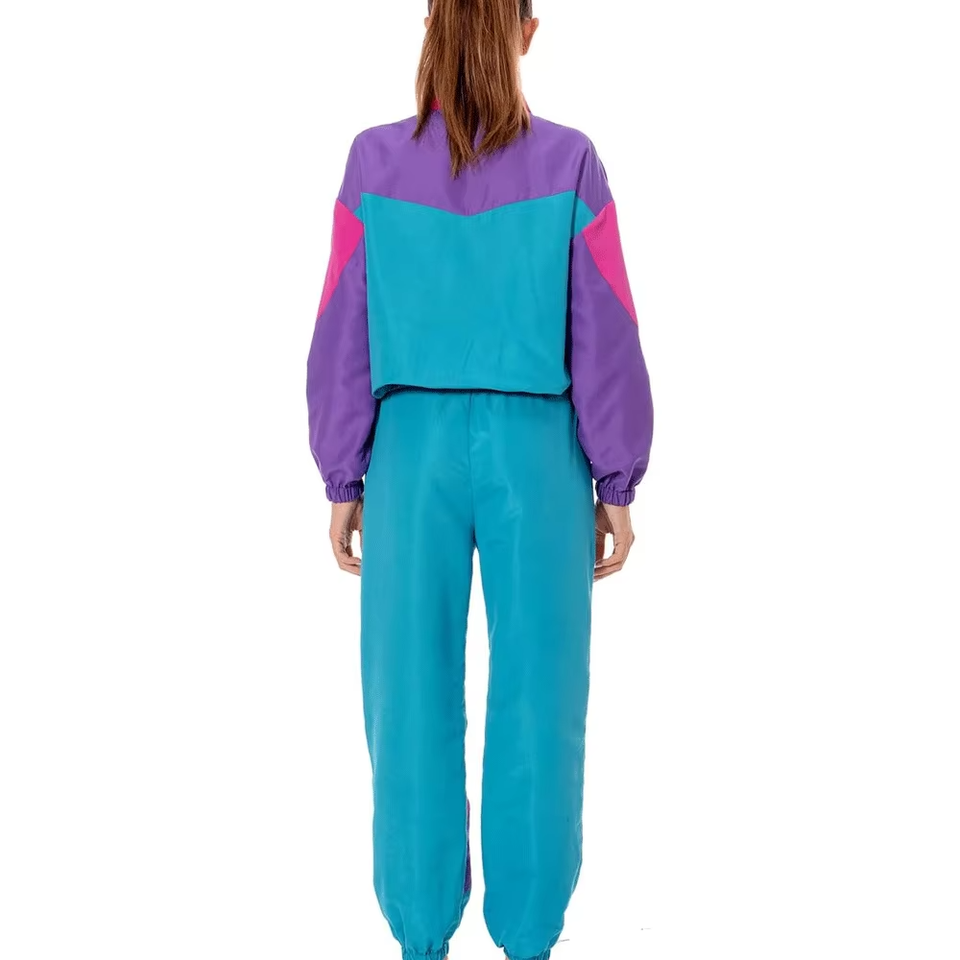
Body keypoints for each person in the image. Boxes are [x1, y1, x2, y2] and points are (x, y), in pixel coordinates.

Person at [306, 1, 653, 957]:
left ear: (429, 23)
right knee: (541, 696)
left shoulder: (372, 163)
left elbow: (342, 324)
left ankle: (419, 933)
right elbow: (606, 328)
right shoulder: (571, 163)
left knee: (408, 695)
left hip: (409, 449)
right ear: (527, 32)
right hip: (538, 451)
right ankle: (529, 935)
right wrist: (616, 480)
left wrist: (343, 471)